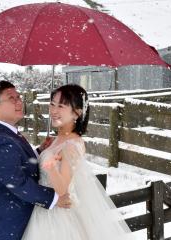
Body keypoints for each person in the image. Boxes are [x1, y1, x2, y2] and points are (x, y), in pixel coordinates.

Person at [22, 84, 134, 240]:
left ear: (77, 113)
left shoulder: (71, 145)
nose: (54, 111)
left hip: (56, 218)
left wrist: (51, 167)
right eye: (52, 104)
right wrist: (43, 150)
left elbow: (63, 190)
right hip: (43, 210)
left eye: (61, 106)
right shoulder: (57, 139)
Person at [0, 81, 70, 240]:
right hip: (2, 224)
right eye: (11, 99)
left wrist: (39, 152)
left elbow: (16, 164)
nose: (19, 102)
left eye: (18, 97)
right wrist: (54, 198)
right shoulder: (0, 139)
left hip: (8, 220)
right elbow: (17, 182)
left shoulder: (4, 131)